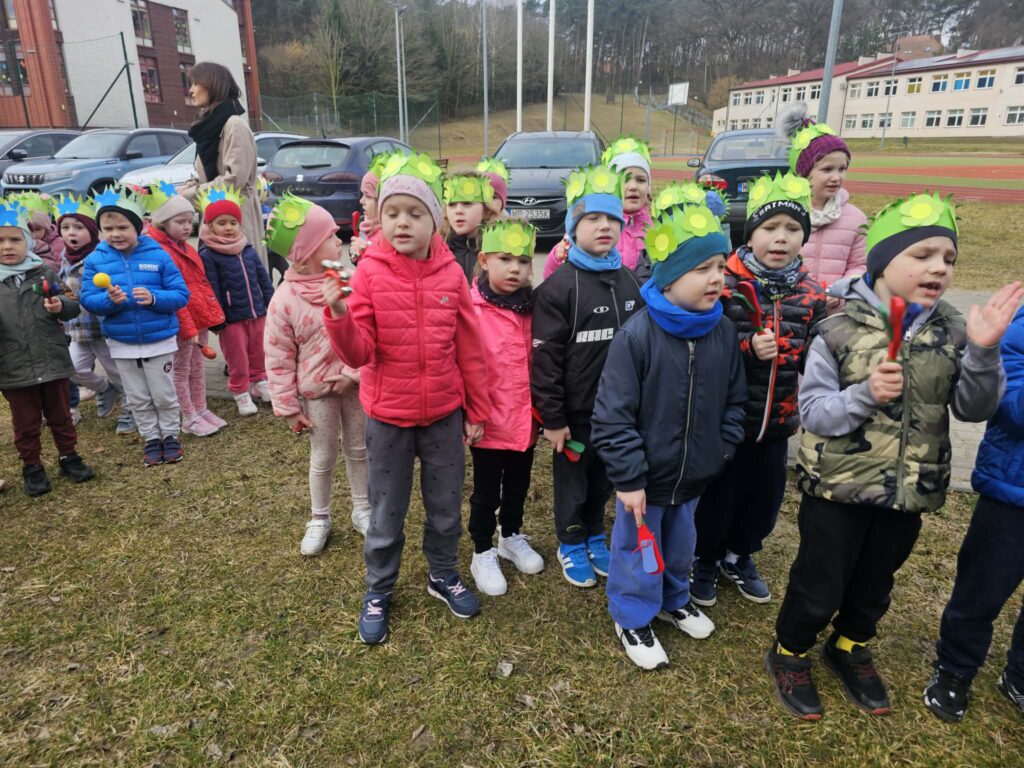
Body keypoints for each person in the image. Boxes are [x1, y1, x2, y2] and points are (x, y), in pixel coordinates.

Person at [766, 192, 1023, 721]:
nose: (939, 268)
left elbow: (974, 408)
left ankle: (850, 645)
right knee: (819, 584)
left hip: (908, 490)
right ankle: (790, 650)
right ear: (883, 261)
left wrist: (983, 351)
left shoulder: (953, 332)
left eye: (948, 258)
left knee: (876, 582)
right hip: (837, 490)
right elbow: (814, 413)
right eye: (922, 255)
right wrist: (864, 395)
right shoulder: (837, 330)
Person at [321, 152, 491, 645]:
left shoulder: (451, 274)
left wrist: (476, 409)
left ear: (435, 221)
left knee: (445, 506)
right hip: (389, 418)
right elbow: (360, 353)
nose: (402, 223)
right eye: (392, 213)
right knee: (386, 509)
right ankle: (379, 587)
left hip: (443, 416)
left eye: (415, 213)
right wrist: (338, 316)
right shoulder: (369, 274)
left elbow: (470, 347)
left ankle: (443, 572)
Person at [592, 202, 746, 669]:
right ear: (669, 279)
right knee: (638, 551)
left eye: (720, 266)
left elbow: (735, 399)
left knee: (681, 546)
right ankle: (632, 614)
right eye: (702, 268)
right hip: (644, 482)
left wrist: (720, 449)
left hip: (694, 474)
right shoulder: (637, 337)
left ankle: (674, 598)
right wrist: (629, 477)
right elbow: (612, 416)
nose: (716, 278)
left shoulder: (722, 331)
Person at [691, 174, 826, 608]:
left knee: (763, 498)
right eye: (770, 228)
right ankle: (705, 558)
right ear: (750, 234)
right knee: (719, 495)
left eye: (792, 228)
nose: (780, 238)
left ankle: (739, 554)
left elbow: (818, 357)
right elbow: (705, 344)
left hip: (779, 422)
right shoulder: (725, 284)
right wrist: (747, 346)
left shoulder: (812, 293)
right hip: (729, 420)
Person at [531, 164, 645, 589]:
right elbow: (545, 360)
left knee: (604, 480)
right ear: (572, 229)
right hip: (575, 417)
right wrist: (553, 418)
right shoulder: (559, 287)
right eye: (592, 218)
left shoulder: (628, 281)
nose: (604, 226)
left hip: (617, 413)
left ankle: (596, 533)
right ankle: (571, 540)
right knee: (573, 485)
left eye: (612, 219)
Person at [923, 302, 1024, 723]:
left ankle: (1019, 675)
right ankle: (955, 668)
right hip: (1013, 492)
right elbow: (1008, 403)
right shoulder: (1019, 325)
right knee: (982, 588)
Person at [263, 194, 371, 554]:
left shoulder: (349, 283)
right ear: (306, 252)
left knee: (359, 449)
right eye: (330, 235)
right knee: (322, 456)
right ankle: (319, 517)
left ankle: (363, 509)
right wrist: (287, 406)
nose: (339, 239)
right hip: (317, 394)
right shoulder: (284, 299)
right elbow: (278, 357)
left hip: (354, 388)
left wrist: (353, 373)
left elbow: (368, 332)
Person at [80, 187, 190, 467]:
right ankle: (151, 439)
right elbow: (88, 300)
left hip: (159, 340)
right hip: (122, 343)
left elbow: (180, 294)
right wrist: (110, 301)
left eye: (122, 227)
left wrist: (154, 298)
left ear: (138, 227)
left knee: (163, 394)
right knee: (138, 397)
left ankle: (170, 436)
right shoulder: (95, 261)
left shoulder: (159, 255)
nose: (115, 234)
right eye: (108, 228)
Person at [467, 218, 545, 596]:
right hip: (488, 422)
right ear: (484, 260)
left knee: (518, 483)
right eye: (505, 259)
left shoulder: (534, 308)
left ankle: (510, 535)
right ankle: (482, 549)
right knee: (486, 491)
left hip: (524, 421)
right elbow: (465, 365)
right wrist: (472, 414)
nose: (515, 269)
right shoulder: (472, 310)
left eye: (523, 261)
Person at [0, 199, 95, 496]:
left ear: (28, 242)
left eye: (15, 239)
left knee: (61, 415)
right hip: (13, 366)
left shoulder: (43, 272)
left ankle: (69, 457)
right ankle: (32, 466)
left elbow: (71, 304)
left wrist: (60, 306)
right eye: (0, 241)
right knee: (26, 423)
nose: (7, 246)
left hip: (52, 360)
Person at [145, 182, 227, 437]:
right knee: (181, 370)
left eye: (190, 221)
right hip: (181, 323)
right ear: (163, 223)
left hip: (197, 318)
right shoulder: (159, 252)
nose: (187, 227)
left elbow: (201, 285)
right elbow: (174, 294)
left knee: (197, 367)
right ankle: (188, 416)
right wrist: (188, 327)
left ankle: (201, 408)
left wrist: (210, 317)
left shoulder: (186, 247)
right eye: (180, 222)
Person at [53, 194, 132, 433]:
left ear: (92, 230)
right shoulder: (64, 258)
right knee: (72, 368)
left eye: (78, 227)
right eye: (65, 227)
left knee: (118, 372)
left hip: (102, 328)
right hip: (76, 328)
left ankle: (130, 409)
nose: (71, 233)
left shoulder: (101, 257)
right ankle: (104, 389)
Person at [777, 103, 866, 302]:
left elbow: (859, 265)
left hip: (836, 310)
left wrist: (842, 290)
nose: (836, 177)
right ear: (803, 173)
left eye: (842, 169)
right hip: (792, 308)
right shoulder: (784, 214)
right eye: (827, 169)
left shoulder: (855, 219)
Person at [198, 186, 274, 417]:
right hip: (231, 319)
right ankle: (240, 391)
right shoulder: (208, 254)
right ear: (209, 225)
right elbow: (211, 288)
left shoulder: (248, 249)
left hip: (257, 312)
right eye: (221, 223)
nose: (229, 227)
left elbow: (263, 278)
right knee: (237, 357)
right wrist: (217, 318)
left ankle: (259, 381)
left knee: (259, 351)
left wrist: (271, 303)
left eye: (233, 222)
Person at [179, 61, 265, 264]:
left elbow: (234, 180)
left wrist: (191, 194)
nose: (191, 90)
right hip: (214, 215)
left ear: (212, 85)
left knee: (240, 275)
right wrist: (187, 187)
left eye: (195, 83)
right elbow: (208, 175)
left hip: (235, 220)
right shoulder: (209, 128)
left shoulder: (233, 125)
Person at [543, 138, 653, 280]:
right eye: (624, 180)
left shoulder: (656, 228)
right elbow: (551, 278)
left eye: (641, 180)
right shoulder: (592, 222)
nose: (633, 186)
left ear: (649, 186)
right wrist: (558, 256)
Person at [443, 172, 501, 283]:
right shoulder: (437, 249)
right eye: (451, 205)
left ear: (485, 210)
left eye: (467, 203)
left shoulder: (497, 249)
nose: (458, 211)